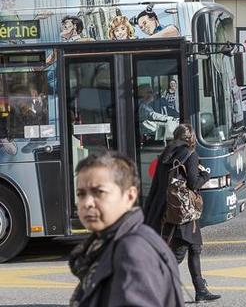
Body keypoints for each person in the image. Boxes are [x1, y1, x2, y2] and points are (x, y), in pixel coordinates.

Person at [69, 151, 184, 306]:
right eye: (81, 194)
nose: (87, 202)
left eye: (99, 192)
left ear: (130, 196)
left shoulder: (132, 250)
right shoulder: (108, 242)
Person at [143, 124, 221, 302]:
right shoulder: (190, 155)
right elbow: (193, 183)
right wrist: (206, 176)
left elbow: (155, 185)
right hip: (183, 213)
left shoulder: (165, 154)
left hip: (166, 209)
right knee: (178, 253)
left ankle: (200, 289)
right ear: (191, 138)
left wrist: (148, 213)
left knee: (195, 247)